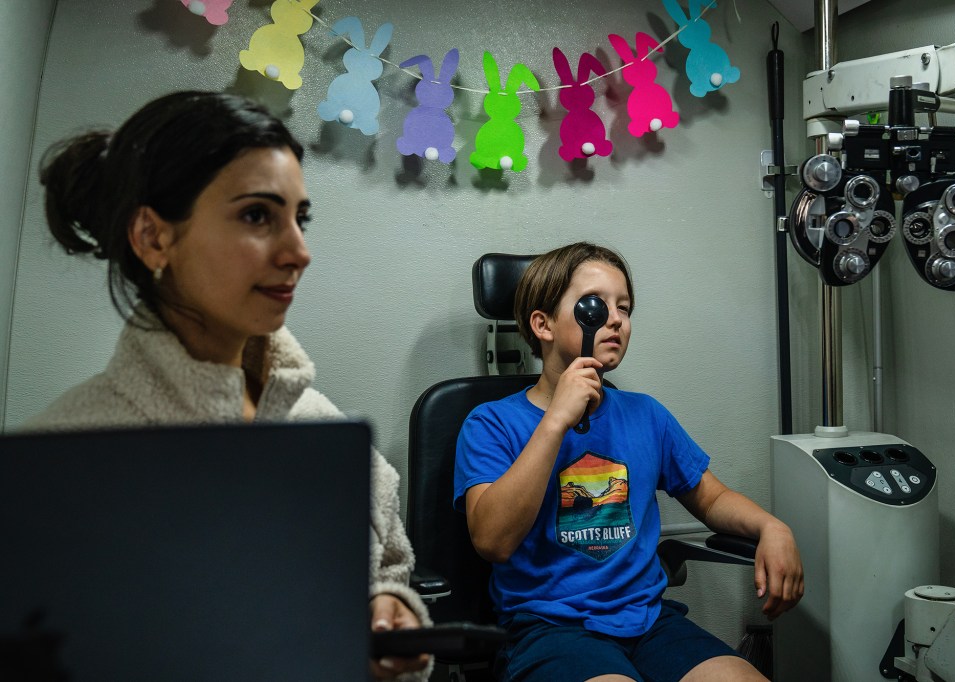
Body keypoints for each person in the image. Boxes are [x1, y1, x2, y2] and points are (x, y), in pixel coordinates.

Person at [25, 90, 429, 681]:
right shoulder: (61, 462)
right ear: (154, 238)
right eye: (258, 215)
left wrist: (389, 615)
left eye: (300, 218)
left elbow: (390, 573)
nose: (300, 252)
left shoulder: (322, 428)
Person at [454, 242, 804, 682]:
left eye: (625, 307)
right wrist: (556, 422)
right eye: (597, 305)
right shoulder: (491, 423)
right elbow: (493, 540)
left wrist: (773, 527)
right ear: (542, 324)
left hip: (648, 621)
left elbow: (711, 498)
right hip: (549, 629)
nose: (617, 319)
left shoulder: (646, 414)